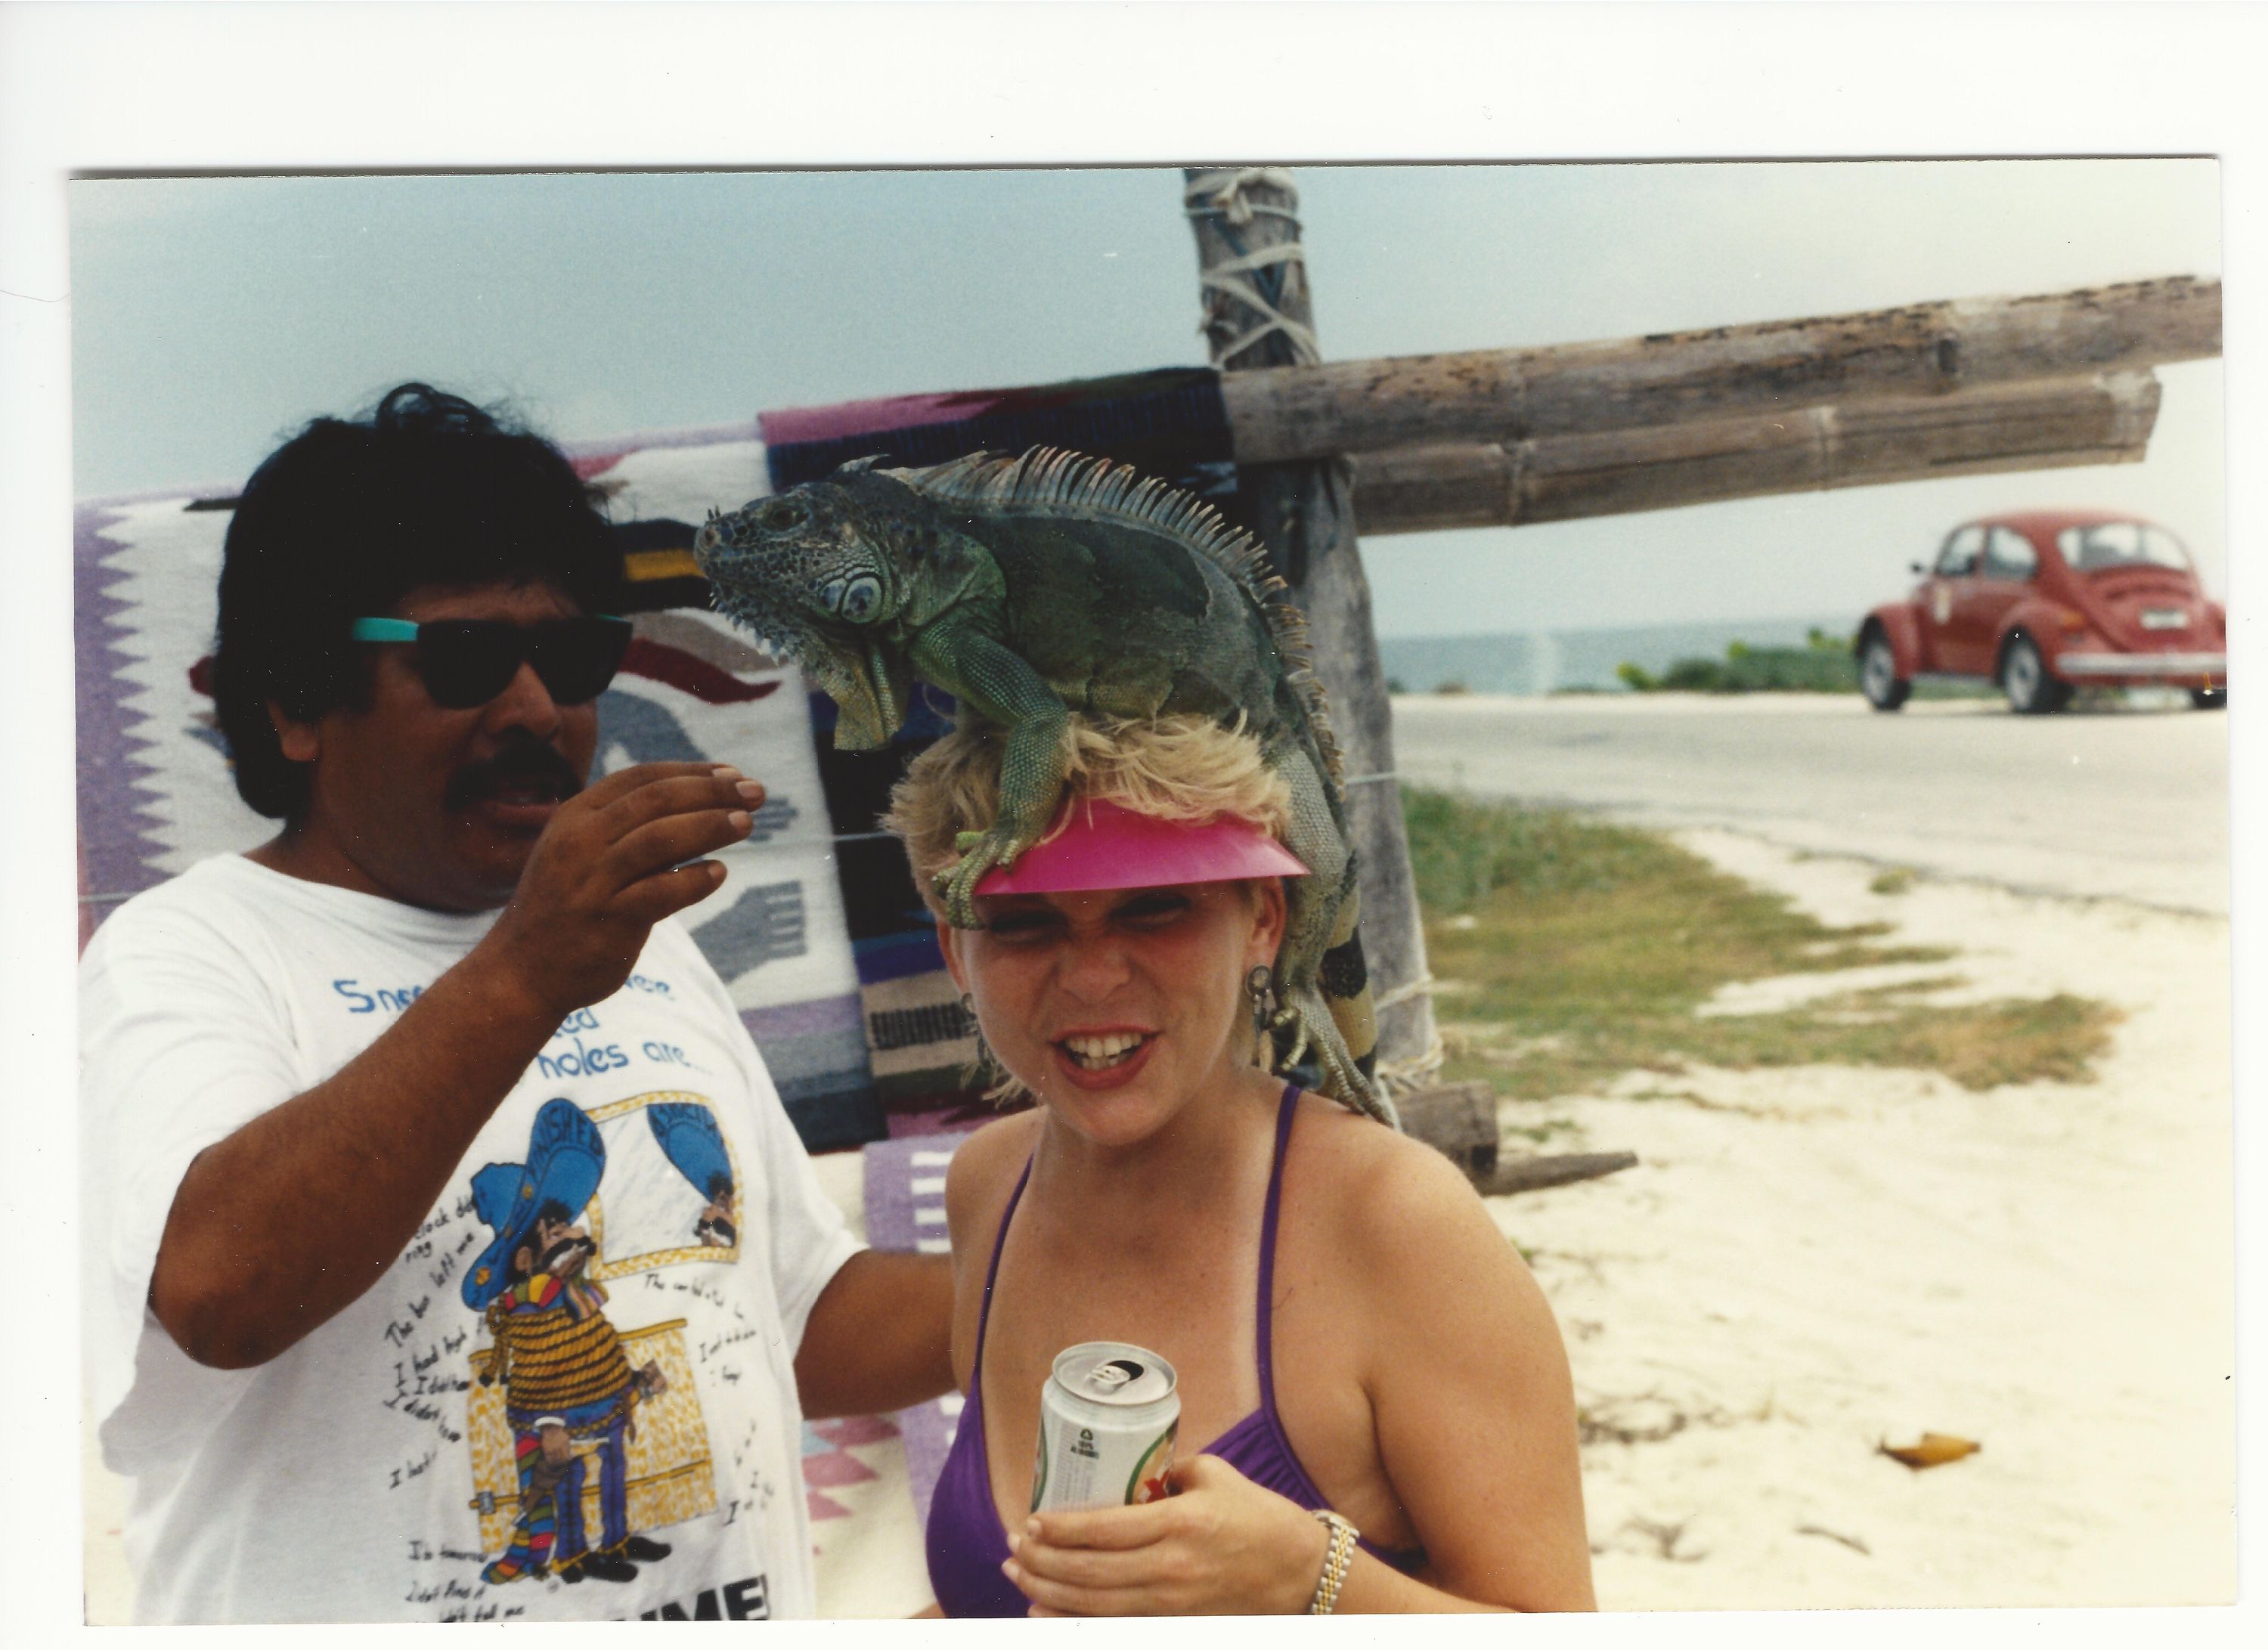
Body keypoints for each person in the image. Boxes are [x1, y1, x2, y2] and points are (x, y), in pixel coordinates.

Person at [79, 384, 955, 1624]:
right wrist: (529, 970)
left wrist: (1064, 1279)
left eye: (576, 653)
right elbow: (223, 1287)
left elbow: (792, 1315)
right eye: (466, 657)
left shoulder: (640, 946)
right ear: (293, 702)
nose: (540, 708)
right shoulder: (185, 950)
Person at [889, 714, 1597, 1615]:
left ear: (1262, 918)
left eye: (1154, 906)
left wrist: (1312, 1578)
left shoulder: (1392, 1218)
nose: (1094, 977)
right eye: (1023, 924)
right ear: (958, 952)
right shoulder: (989, 1185)